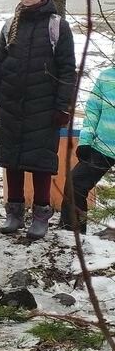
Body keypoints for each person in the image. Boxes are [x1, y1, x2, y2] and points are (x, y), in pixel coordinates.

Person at [0, 0, 77, 240]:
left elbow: (67, 70)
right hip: (13, 106)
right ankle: (13, 212)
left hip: (44, 108)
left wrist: (63, 106)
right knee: (11, 160)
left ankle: (41, 215)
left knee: (39, 162)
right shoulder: (10, 25)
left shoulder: (57, 27)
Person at [60, 68, 115, 234]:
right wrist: (86, 140)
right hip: (103, 145)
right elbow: (92, 109)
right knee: (74, 184)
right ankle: (72, 234)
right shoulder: (106, 76)